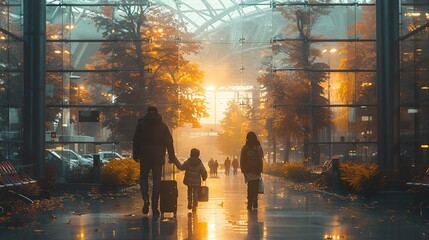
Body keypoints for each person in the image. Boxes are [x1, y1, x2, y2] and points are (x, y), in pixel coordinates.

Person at [133, 106, 176, 217]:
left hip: (145, 155)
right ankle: (154, 206)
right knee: (157, 181)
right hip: (158, 156)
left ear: (147, 113)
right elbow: (169, 142)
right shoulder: (163, 126)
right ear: (157, 113)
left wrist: (135, 154)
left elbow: (136, 140)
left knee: (143, 178)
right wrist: (171, 156)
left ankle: (146, 200)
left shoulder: (141, 124)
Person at [240, 131, 263, 210]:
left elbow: (242, 159)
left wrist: (243, 169)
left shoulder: (245, 148)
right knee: (255, 185)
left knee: (250, 186)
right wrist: (260, 169)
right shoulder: (258, 147)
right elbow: (260, 159)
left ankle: (249, 202)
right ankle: (255, 200)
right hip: (256, 170)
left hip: (248, 170)